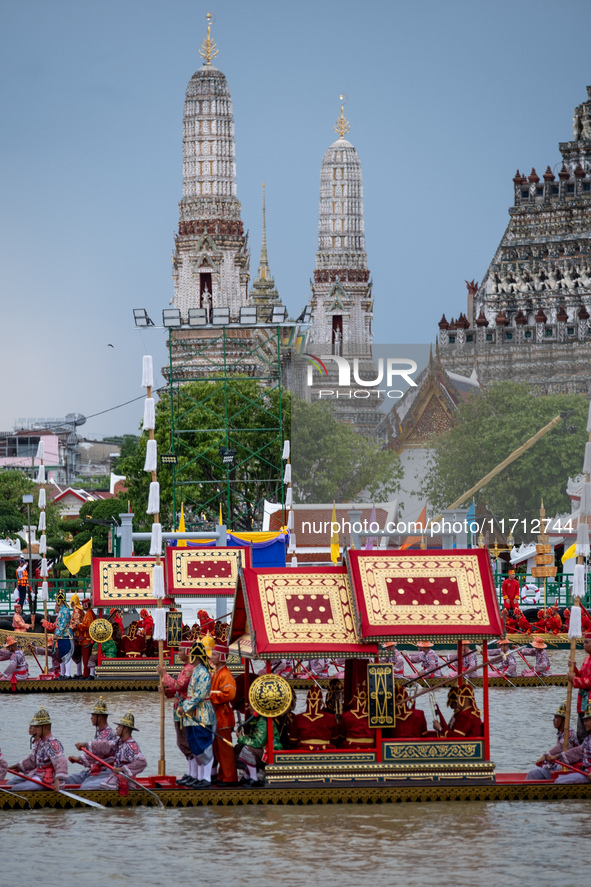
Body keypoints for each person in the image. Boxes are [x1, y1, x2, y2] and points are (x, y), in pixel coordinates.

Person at [156, 642, 196, 786]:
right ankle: (191, 772)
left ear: (188, 652)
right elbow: (177, 689)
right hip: (179, 708)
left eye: (180, 650)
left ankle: (194, 773)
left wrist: (164, 675)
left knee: (186, 741)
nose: (178, 653)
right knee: (182, 741)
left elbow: (179, 685)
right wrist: (166, 691)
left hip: (186, 709)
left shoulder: (190, 668)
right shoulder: (184, 668)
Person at [179, 640, 216, 788]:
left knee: (203, 744)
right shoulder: (196, 671)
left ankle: (206, 778)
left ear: (196, 656)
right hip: (192, 713)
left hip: (202, 712)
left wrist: (185, 707)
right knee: (194, 744)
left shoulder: (203, 673)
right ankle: (199, 776)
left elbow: (199, 695)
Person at [8, 707, 68, 790]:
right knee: (9, 783)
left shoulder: (53, 743)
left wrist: (58, 780)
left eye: (37, 727)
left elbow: (61, 762)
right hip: (37, 774)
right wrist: (10, 768)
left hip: (47, 779)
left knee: (16, 789)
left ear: (45, 727)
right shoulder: (40, 742)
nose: (35, 729)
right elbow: (31, 760)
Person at [66, 698, 118, 788]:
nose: (91, 718)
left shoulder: (108, 733)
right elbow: (95, 754)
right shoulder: (101, 733)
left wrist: (79, 757)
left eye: (93, 715)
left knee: (85, 787)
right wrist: (79, 759)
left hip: (104, 771)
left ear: (100, 717)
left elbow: (98, 752)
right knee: (66, 780)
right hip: (94, 770)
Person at [209, 640, 238, 785]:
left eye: (214, 654)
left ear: (221, 657)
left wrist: (211, 696)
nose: (211, 657)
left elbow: (230, 694)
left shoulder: (225, 674)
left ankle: (230, 778)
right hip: (216, 716)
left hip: (224, 716)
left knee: (225, 750)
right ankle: (222, 776)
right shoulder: (216, 673)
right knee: (218, 750)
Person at [526, 702, 579, 780]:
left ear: (564, 721)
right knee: (533, 771)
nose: (553, 720)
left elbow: (560, 747)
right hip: (558, 764)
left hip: (569, 766)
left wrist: (545, 756)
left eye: (557, 718)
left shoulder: (570, 734)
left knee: (533, 773)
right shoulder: (562, 733)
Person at [99, 710, 147, 790]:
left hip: (126, 782)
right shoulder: (119, 742)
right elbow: (106, 745)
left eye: (119, 727)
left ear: (125, 730)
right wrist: (86, 744)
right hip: (116, 778)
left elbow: (142, 762)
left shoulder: (131, 745)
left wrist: (121, 769)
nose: (116, 728)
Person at [235, 709, 282, 786]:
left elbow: (258, 743)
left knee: (247, 750)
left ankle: (254, 778)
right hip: (263, 749)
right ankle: (246, 777)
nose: (248, 707)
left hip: (271, 751)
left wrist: (241, 738)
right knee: (238, 748)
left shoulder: (262, 721)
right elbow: (252, 738)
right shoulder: (256, 719)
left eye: (251, 705)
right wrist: (241, 740)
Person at [553, 703, 591, 784]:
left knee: (559, 781)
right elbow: (578, 750)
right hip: (585, 771)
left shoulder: (570, 734)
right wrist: (559, 756)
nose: (584, 723)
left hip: (588, 774)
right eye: (584, 720)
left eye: (587, 720)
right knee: (559, 778)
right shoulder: (588, 739)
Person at [290, 686, 337, 750]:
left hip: (303, 751)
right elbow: (335, 740)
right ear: (321, 703)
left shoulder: (298, 718)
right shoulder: (331, 718)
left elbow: (293, 741)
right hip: (326, 751)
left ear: (307, 702)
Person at [42, 593, 74, 678]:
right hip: (61, 635)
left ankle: (68, 673)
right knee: (61, 654)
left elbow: (63, 624)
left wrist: (57, 634)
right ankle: (62, 673)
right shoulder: (61, 610)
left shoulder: (66, 610)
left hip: (65, 634)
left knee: (66, 653)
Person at [337, 682, 376, 749]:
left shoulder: (346, 716)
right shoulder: (375, 716)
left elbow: (342, 735)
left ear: (354, 699)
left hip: (351, 748)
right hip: (370, 748)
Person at [569, 631, 591, 742]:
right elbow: (581, 675)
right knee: (581, 734)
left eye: (586, 642)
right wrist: (574, 669)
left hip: (590, 702)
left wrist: (574, 679)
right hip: (582, 701)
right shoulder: (587, 659)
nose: (584, 645)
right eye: (583, 642)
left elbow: (589, 682)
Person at [79, 598, 96, 678]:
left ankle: (86, 674)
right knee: (87, 658)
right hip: (89, 639)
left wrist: (78, 625)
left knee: (86, 659)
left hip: (87, 639)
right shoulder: (90, 613)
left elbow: (87, 626)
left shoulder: (89, 614)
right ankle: (88, 673)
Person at [70, 594, 85, 678]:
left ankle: (79, 672)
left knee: (76, 654)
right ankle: (79, 672)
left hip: (76, 635)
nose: (70, 604)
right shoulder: (81, 610)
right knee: (79, 654)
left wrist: (69, 629)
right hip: (80, 635)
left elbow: (76, 623)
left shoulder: (76, 610)